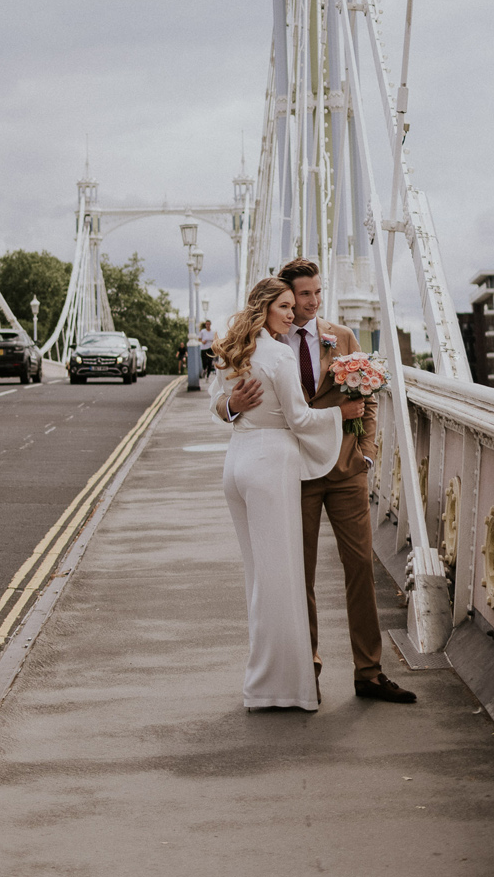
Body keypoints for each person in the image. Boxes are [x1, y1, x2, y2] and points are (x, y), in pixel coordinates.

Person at [215, 258, 416, 705]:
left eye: (316, 294)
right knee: (295, 576)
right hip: (290, 476)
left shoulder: (341, 337)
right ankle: (308, 668)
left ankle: (369, 671)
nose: (311, 303)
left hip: (344, 471)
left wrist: (367, 453)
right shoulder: (259, 343)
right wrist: (230, 406)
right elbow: (226, 405)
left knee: (360, 567)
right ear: (281, 299)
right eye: (303, 295)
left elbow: (366, 397)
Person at [212, 276, 354, 710]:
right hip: (271, 463)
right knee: (282, 578)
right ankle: (281, 689)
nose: (293, 314)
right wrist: (339, 414)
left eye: (295, 307)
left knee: (259, 575)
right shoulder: (278, 354)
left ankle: (263, 682)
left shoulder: (234, 350)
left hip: (237, 462)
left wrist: (234, 406)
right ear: (265, 308)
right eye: (285, 307)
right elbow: (298, 419)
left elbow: (216, 403)